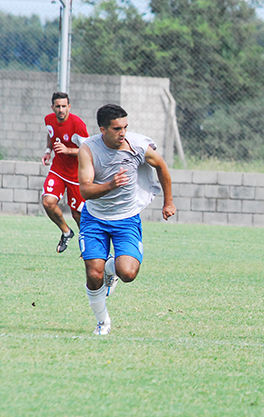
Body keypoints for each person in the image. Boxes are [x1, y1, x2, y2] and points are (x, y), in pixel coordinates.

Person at [77, 104, 175, 335]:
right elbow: (85, 190)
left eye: (125, 127)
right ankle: (102, 322)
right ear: (103, 129)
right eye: (117, 129)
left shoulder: (137, 145)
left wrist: (168, 201)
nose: (123, 133)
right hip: (95, 218)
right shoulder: (88, 149)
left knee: (128, 273)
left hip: (126, 219)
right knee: (93, 275)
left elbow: (161, 166)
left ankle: (111, 269)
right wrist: (111, 184)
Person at [41, 92, 89, 253]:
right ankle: (66, 232)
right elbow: (51, 134)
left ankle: (88, 247)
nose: (61, 110)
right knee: (47, 202)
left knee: (78, 215)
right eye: (57, 106)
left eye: (64, 106)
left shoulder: (78, 124)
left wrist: (68, 150)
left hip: (76, 174)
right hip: (58, 170)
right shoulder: (49, 119)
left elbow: (88, 150)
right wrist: (48, 150)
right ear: (52, 107)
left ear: (69, 107)